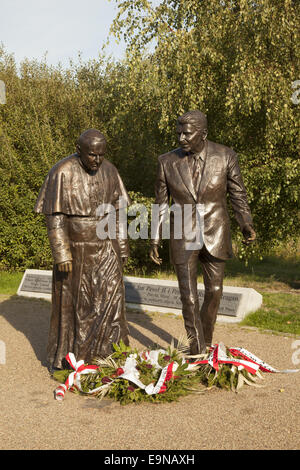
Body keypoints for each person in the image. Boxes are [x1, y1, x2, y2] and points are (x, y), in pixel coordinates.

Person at [150, 110, 256, 355]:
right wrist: (155, 237)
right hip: (182, 233)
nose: (181, 139)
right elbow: (160, 204)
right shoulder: (166, 161)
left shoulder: (225, 155)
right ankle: (197, 349)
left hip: (216, 231)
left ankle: (205, 341)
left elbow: (237, 194)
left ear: (203, 134)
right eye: (178, 133)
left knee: (214, 291)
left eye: (187, 133)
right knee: (188, 295)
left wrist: (245, 223)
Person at [35, 129, 131, 370]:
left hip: (106, 247)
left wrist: (122, 246)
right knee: (80, 306)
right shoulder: (61, 172)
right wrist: (61, 252)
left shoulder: (110, 170)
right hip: (76, 249)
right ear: (78, 150)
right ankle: (76, 359)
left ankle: (111, 355)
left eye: (101, 154)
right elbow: (55, 218)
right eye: (92, 155)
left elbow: (118, 213)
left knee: (111, 299)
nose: (97, 160)